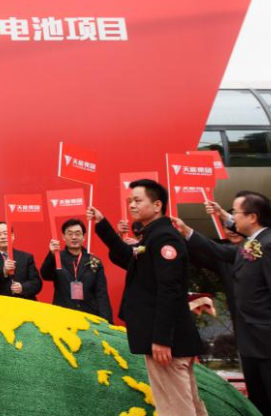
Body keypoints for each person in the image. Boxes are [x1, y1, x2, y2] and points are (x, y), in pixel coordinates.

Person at [180, 192, 271, 416]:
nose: (232, 219)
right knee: (260, 403)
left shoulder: (270, 245)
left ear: (252, 217)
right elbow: (219, 251)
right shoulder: (251, 244)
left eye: (237, 213)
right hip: (251, 343)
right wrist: (187, 232)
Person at [89, 178, 207, 416]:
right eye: (130, 201)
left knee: (175, 408)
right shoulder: (152, 235)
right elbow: (130, 259)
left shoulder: (164, 238)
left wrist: (162, 339)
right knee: (188, 405)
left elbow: (169, 289)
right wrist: (102, 224)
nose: (132, 205)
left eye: (137, 200)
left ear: (157, 205)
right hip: (165, 340)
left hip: (167, 344)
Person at [39, 219, 112, 321]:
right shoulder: (57, 258)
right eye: (70, 234)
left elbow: (101, 293)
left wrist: (106, 321)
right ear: (63, 237)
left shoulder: (94, 261)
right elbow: (45, 275)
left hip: (89, 315)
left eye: (78, 234)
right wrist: (51, 254)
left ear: (84, 237)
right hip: (63, 315)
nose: (74, 237)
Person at [0, 222, 42, 299]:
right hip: (1, 302)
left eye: (6, 233)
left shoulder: (26, 257)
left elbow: (37, 283)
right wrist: (3, 271)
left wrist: (22, 287)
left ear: (13, 236)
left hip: (25, 302)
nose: (3, 237)